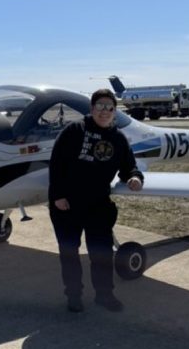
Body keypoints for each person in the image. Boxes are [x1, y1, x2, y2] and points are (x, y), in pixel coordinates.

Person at [48, 88, 144, 313]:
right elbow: (56, 164)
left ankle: (104, 295)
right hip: (67, 204)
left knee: (101, 254)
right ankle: (74, 296)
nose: (104, 111)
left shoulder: (118, 138)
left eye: (109, 107)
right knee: (69, 253)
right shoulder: (74, 130)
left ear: (114, 111)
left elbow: (129, 167)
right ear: (92, 108)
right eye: (100, 106)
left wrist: (134, 178)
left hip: (98, 205)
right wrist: (58, 196)